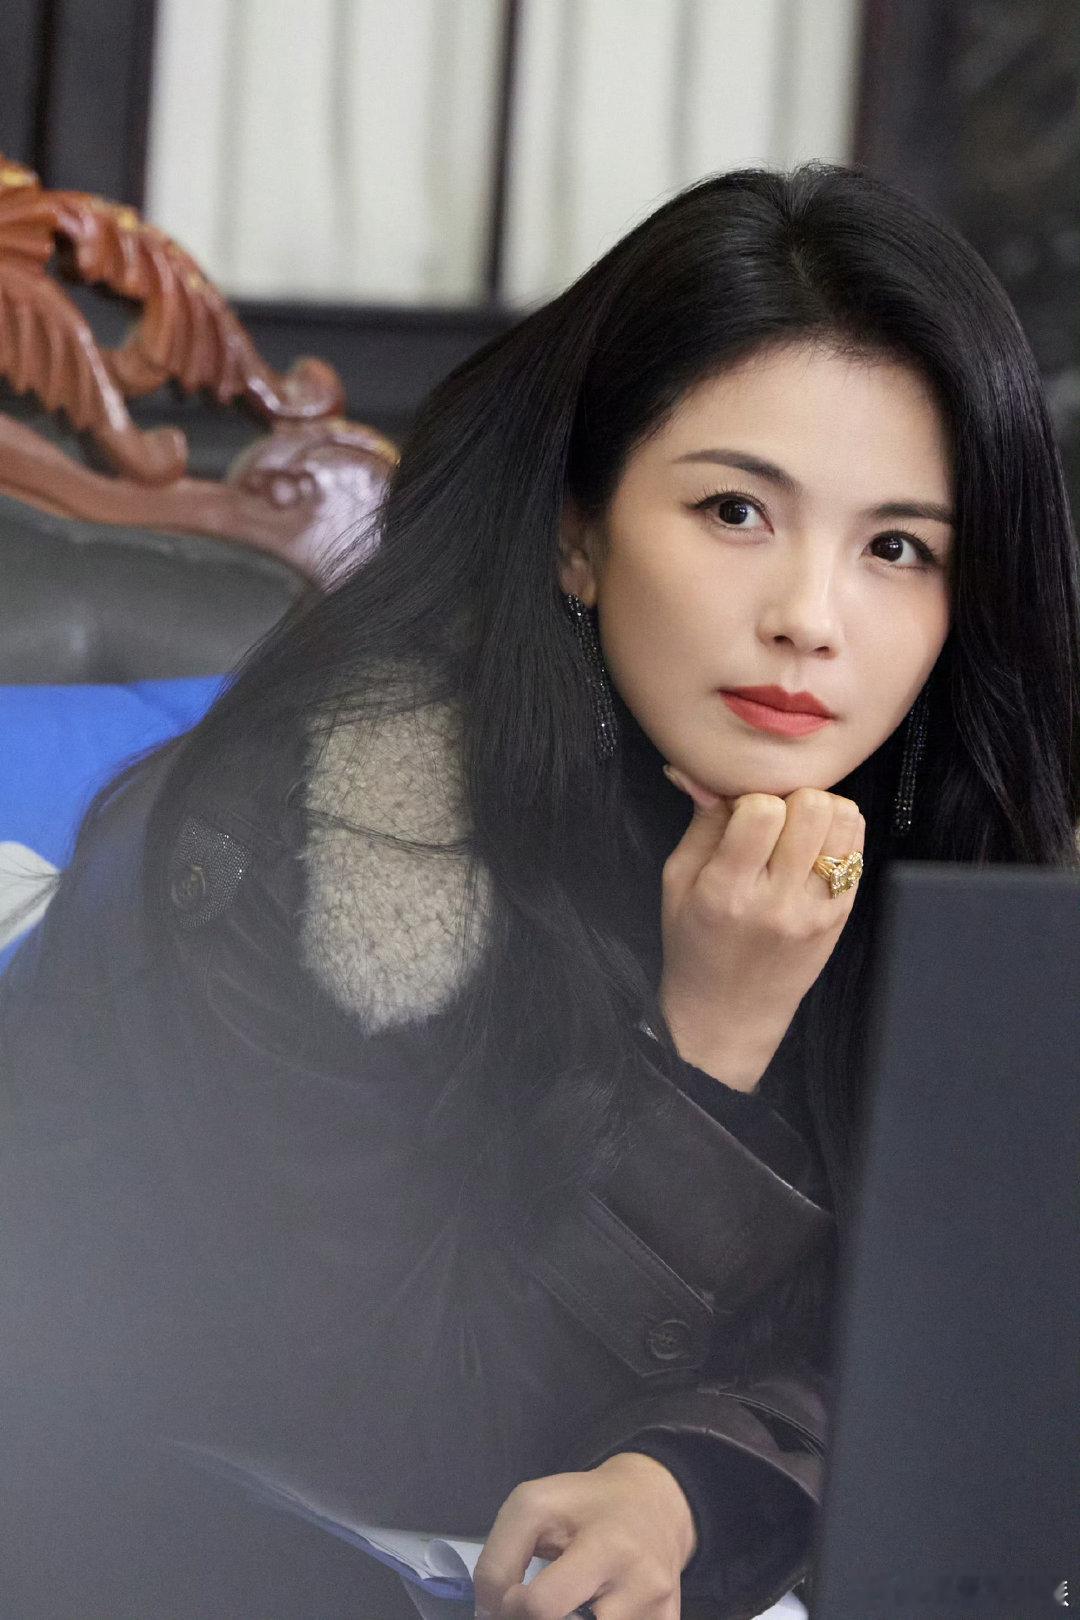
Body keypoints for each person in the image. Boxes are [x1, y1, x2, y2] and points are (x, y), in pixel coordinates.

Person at [2, 159, 1078, 1620]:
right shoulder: (319, 851)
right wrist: (709, 1046)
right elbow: (394, 1433)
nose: (810, 619)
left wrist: (687, 1482)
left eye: (898, 548)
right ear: (579, 532)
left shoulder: (929, 826)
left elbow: (981, 1337)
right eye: (736, 511)